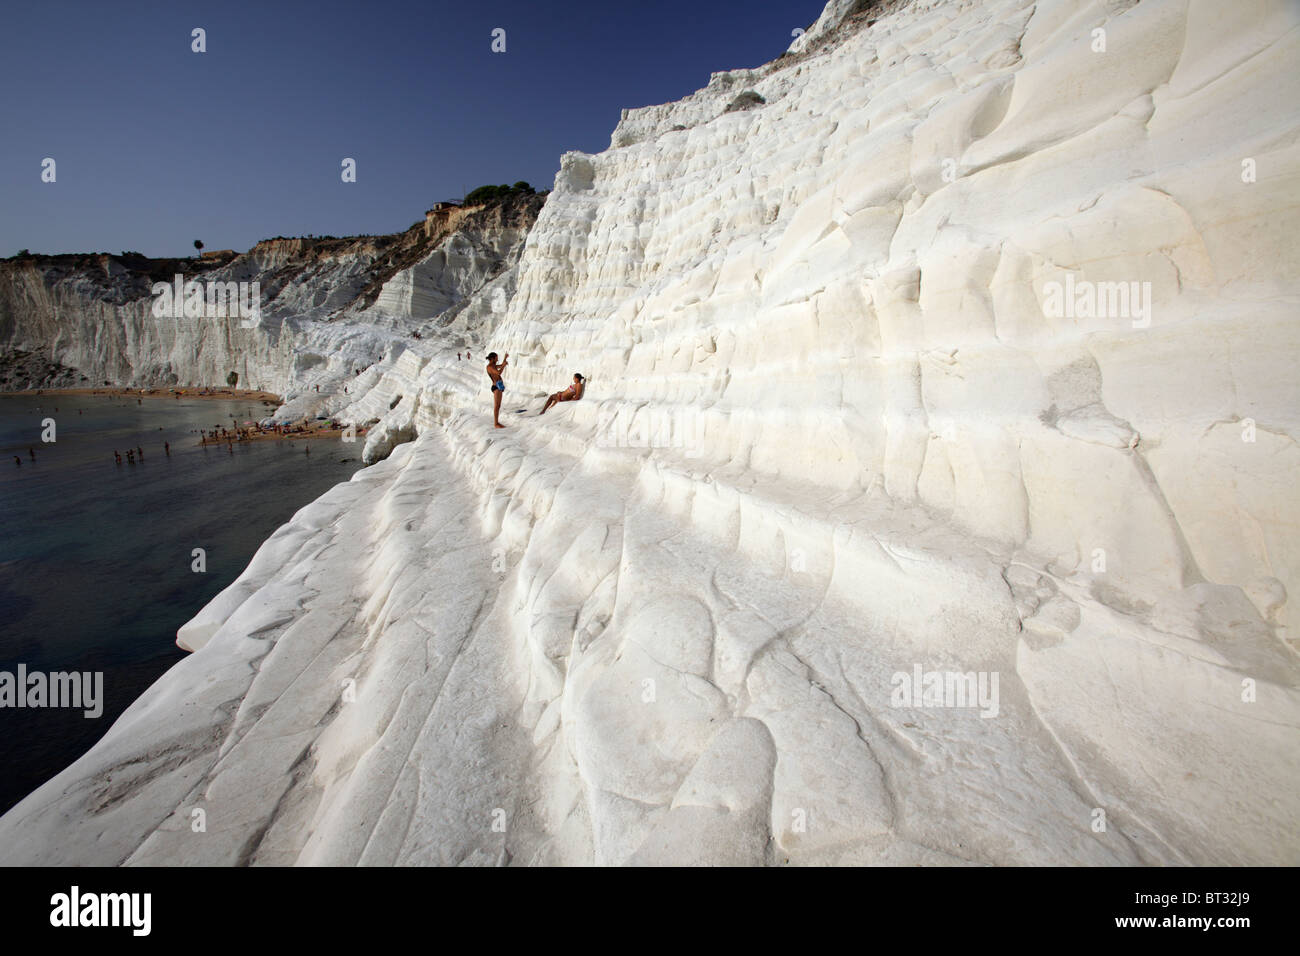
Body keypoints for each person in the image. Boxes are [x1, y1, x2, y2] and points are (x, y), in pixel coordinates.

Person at [486, 351, 509, 428]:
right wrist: (504, 365)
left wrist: (505, 358)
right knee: (496, 406)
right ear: (492, 358)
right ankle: (496, 423)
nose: (497, 359)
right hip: (496, 387)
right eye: (496, 358)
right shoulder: (489, 367)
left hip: (499, 386)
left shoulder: (493, 365)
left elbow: (501, 365)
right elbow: (499, 372)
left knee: (498, 406)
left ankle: (497, 422)